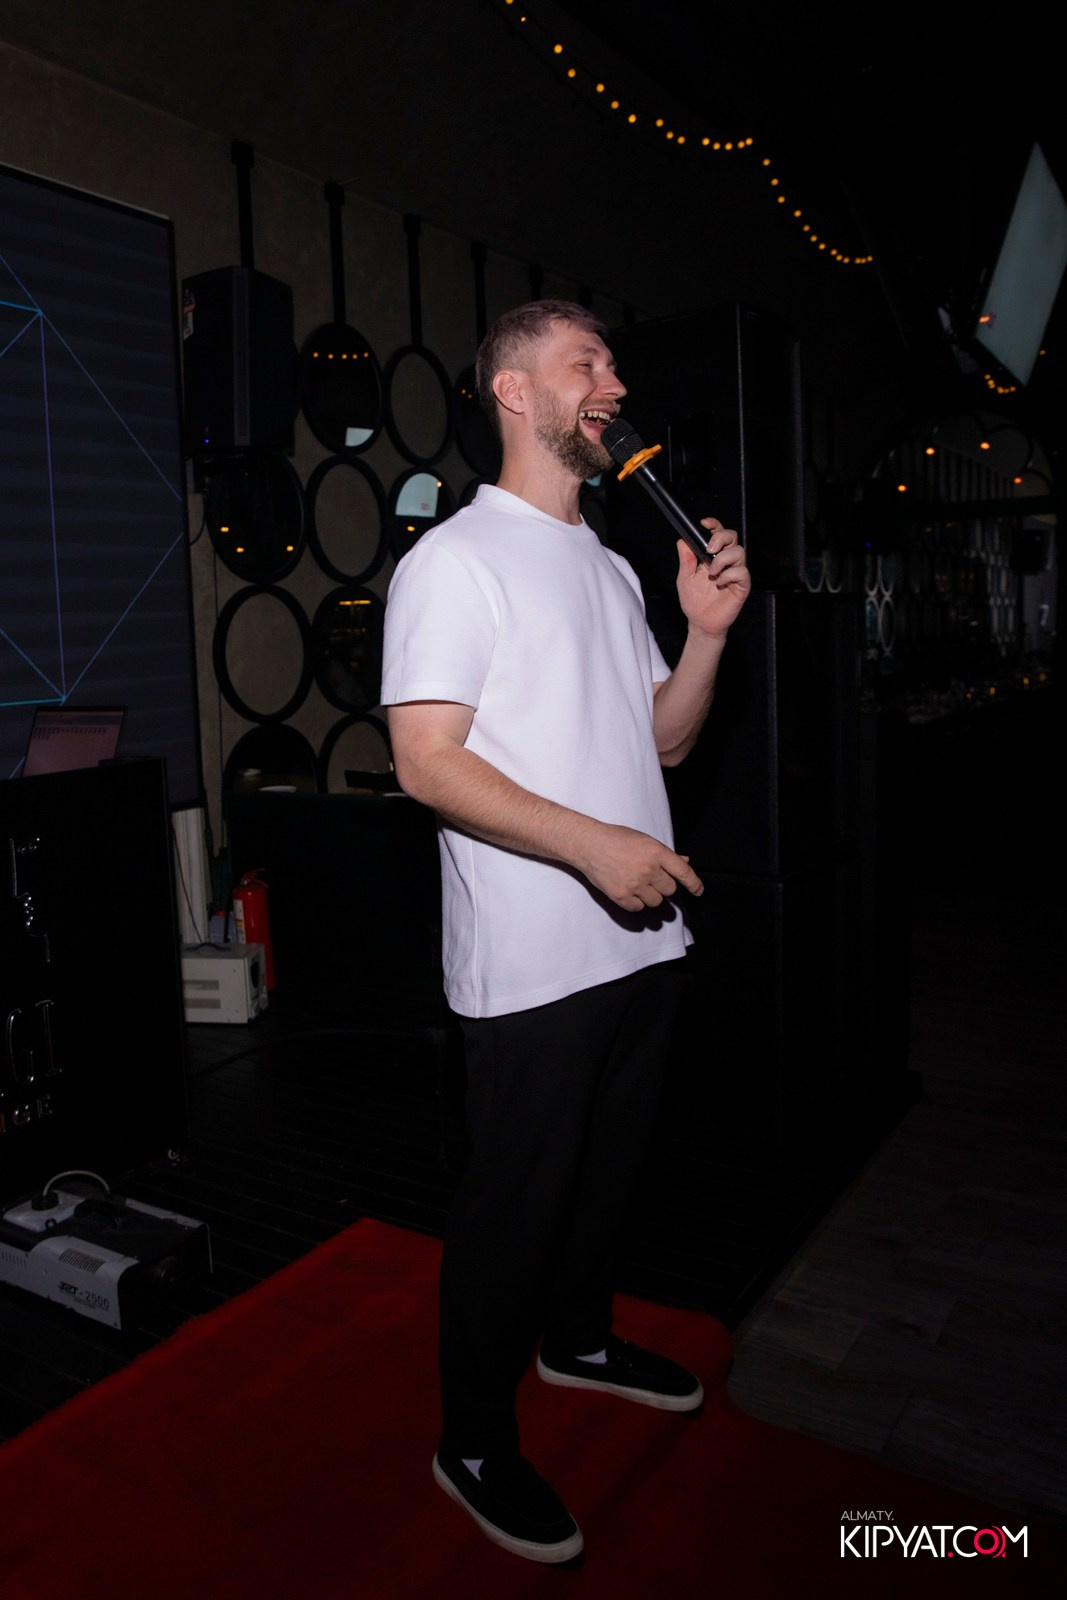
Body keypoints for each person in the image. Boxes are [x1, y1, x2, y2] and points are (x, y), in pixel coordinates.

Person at [380, 300, 750, 1564]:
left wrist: (703, 637)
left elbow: (663, 741)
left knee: (608, 1174)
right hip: (535, 958)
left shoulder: (606, 563)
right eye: (583, 363)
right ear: (513, 393)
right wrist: (595, 848)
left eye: (612, 365)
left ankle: (579, 1341)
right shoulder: (454, 560)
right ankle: (473, 1440)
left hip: (640, 939)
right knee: (516, 1205)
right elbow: (425, 763)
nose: (612, 383)